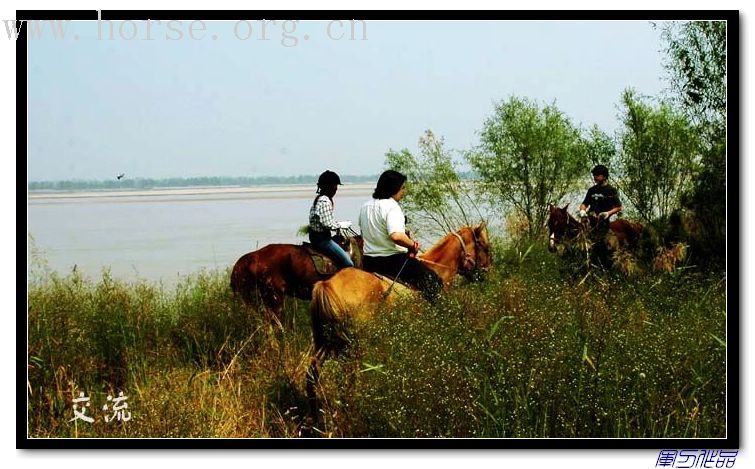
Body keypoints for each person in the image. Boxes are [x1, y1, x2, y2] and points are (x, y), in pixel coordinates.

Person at [358, 170, 442, 302]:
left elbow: (364, 234)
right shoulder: (391, 206)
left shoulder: (365, 206)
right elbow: (396, 236)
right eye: (402, 188)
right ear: (394, 189)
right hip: (393, 261)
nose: (404, 192)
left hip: (369, 262)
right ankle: (432, 314)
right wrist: (413, 244)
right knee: (434, 281)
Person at [308, 170, 354, 268]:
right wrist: (342, 225)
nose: (336, 189)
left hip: (315, 236)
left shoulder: (318, 199)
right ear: (330, 187)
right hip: (322, 240)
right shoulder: (325, 201)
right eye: (335, 186)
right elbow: (328, 224)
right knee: (348, 263)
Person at [578, 164, 622, 266]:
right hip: (589, 222)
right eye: (594, 175)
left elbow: (619, 207)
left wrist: (608, 213)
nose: (595, 177)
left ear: (604, 176)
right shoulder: (592, 190)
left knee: (605, 245)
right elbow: (584, 203)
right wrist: (582, 211)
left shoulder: (611, 190)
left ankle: (605, 265)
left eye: (597, 175)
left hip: (603, 223)